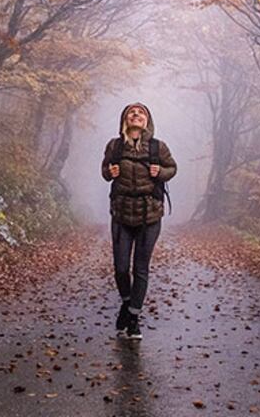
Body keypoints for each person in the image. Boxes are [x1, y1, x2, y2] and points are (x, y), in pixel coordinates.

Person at [101, 102, 176, 340]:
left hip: (149, 215)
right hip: (121, 214)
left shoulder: (157, 147)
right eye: (132, 113)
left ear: (147, 122)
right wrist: (109, 172)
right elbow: (105, 170)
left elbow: (172, 168)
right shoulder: (114, 146)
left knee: (141, 268)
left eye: (141, 113)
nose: (136, 115)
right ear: (125, 120)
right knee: (121, 268)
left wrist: (160, 173)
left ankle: (133, 318)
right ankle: (126, 302)